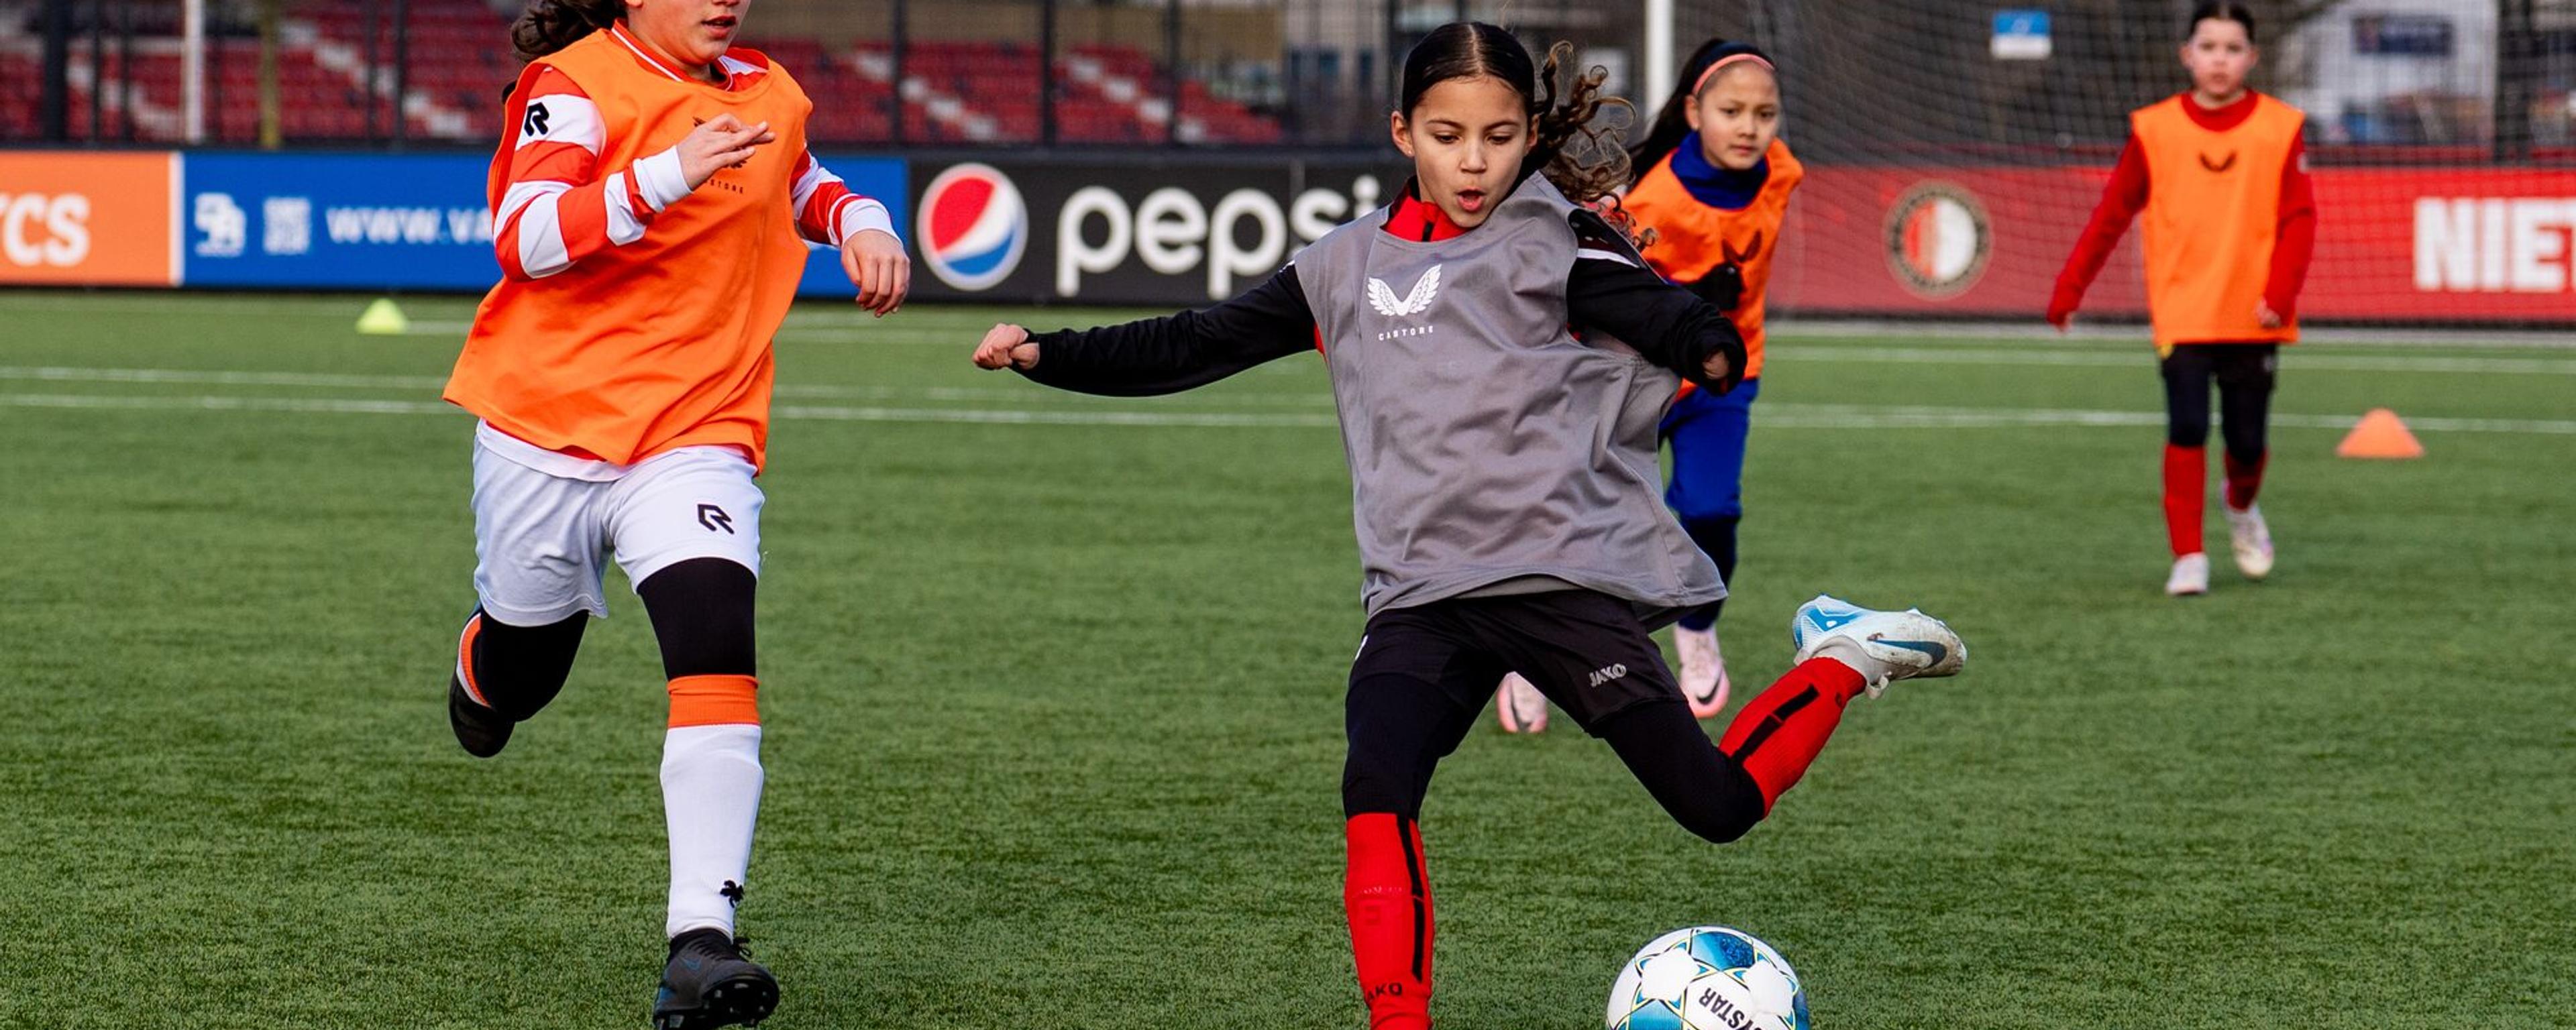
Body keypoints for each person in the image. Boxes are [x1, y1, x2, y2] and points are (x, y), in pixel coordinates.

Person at [967, 23, 1966, 1030]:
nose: (1475, 161)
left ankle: (1844, 654)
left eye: (1499, 136)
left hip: (1556, 577)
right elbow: (1192, 342)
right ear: (1405, 133)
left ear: (1529, 133)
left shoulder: (1556, 237)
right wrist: (1047, 353)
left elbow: (1656, 311)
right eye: (1449, 135)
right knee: (1377, 779)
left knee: (1716, 809)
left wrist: (1706, 346)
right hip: (1422, 595)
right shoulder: (1342, 267)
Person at [439, 1, 909, 1026]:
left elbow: (797, 175)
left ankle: (702, 941)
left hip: (698, 431)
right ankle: (487, 663)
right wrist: (666, 173)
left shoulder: (767, 91)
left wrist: (858, 218)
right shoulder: (574, 85)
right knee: (525, 673)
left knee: (715, 649)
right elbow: (523, 238)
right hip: (545, 432)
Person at [2048, 1, 2313, 596]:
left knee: (2247, 442)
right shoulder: (2155, 128)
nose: (2220, 60)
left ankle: (2242, 508)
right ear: (2187, 55)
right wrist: (2071, 287)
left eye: (2232, 48)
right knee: (2187, 428)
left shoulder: (2281, 126)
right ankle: (2188, 555)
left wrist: (2280, 290)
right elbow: (2113, 213)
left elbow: (2300, 218)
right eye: (2209, 47)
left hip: (2255, 312)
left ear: (2252, 57)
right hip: (2183, 309)